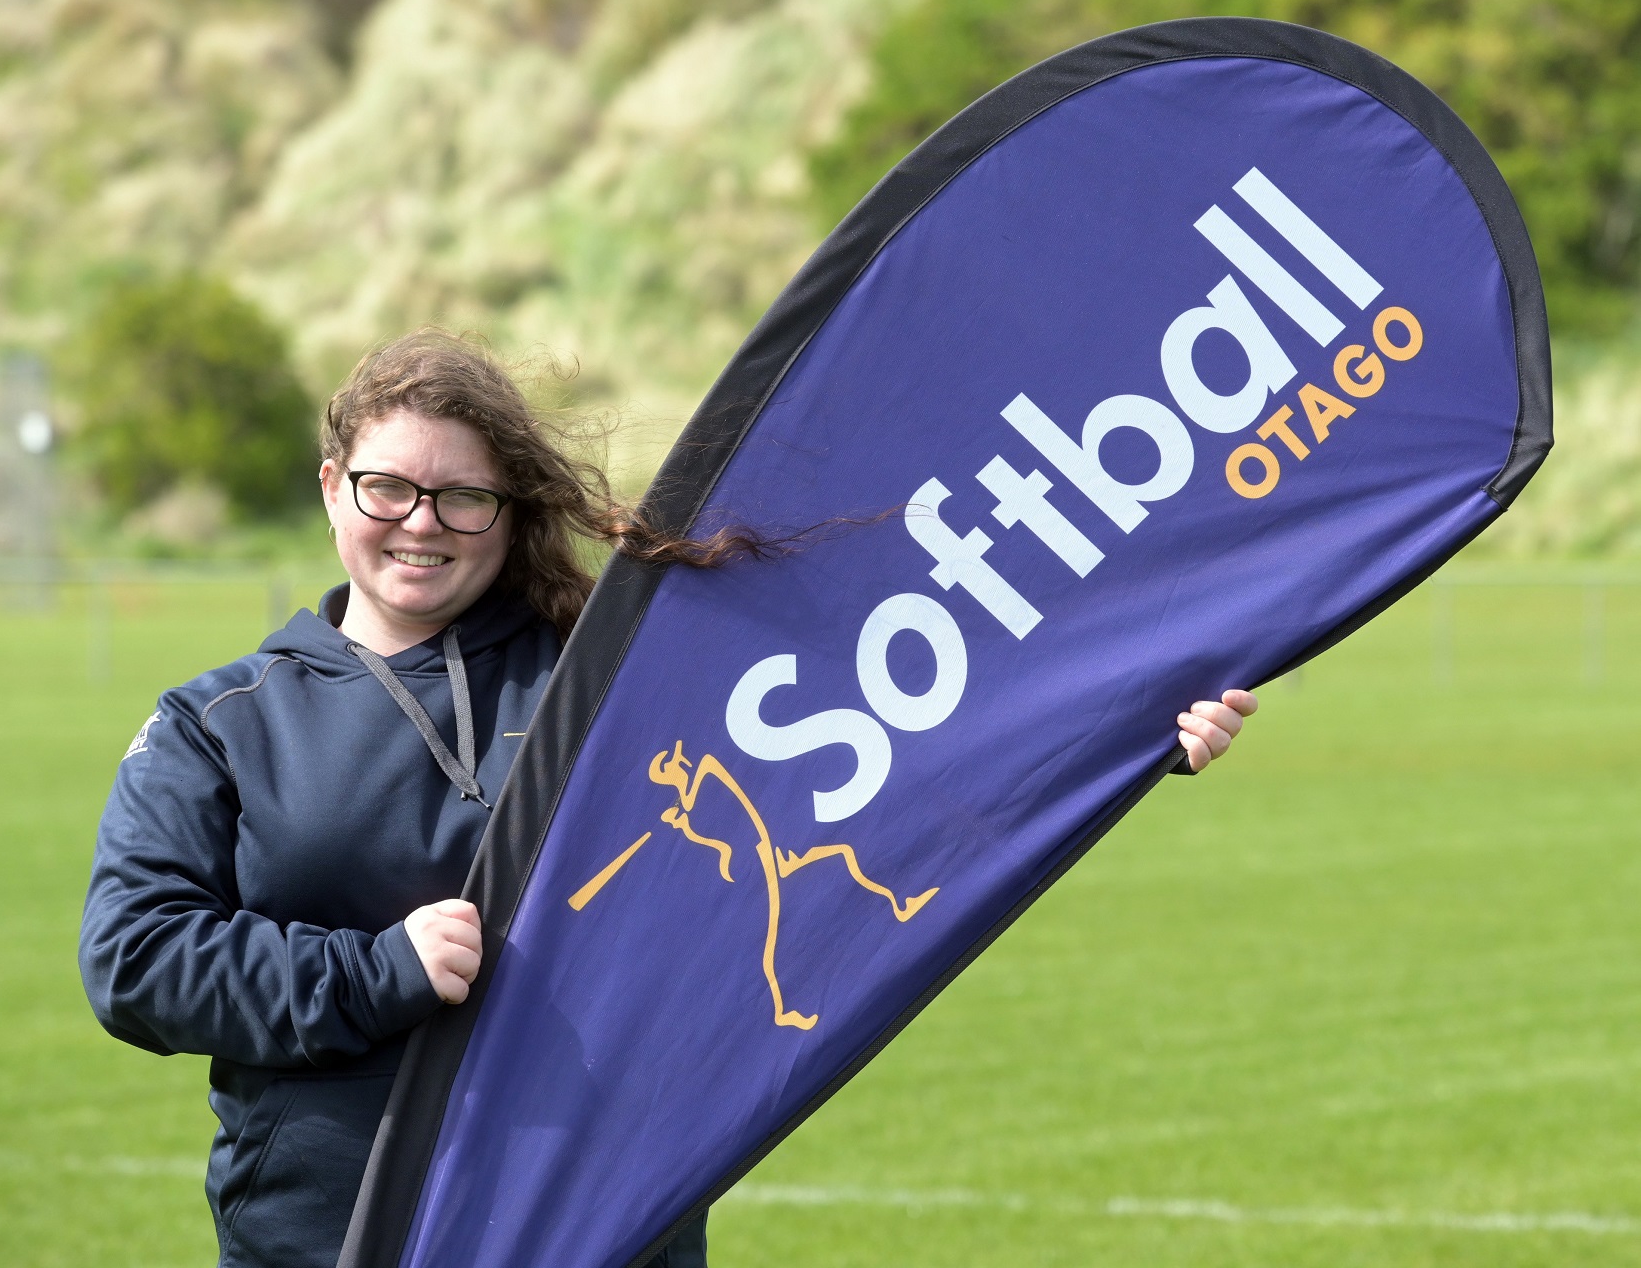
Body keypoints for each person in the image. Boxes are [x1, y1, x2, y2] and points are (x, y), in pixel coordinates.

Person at [77, 330, 1258, 1268]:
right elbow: (131, 960)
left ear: (510, 508)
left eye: (462, 498)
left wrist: (1127, 737)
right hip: (327, 1240)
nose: (421, 524)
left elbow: (881, 754)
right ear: (333, 484)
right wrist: (373, 972)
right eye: (389, 489)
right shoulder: (219, 724)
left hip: (608, 1222)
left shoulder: (622, 674)